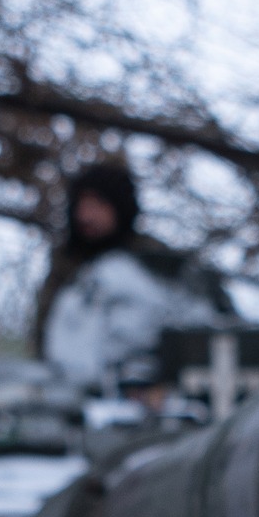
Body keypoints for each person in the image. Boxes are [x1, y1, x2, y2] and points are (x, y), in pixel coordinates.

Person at [34, 162, 233, 393]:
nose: (86, 215)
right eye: (81, 204)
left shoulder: (156, 263)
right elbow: (46, 338)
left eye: (98, 203)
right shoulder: (66, 268)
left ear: (119, 206)